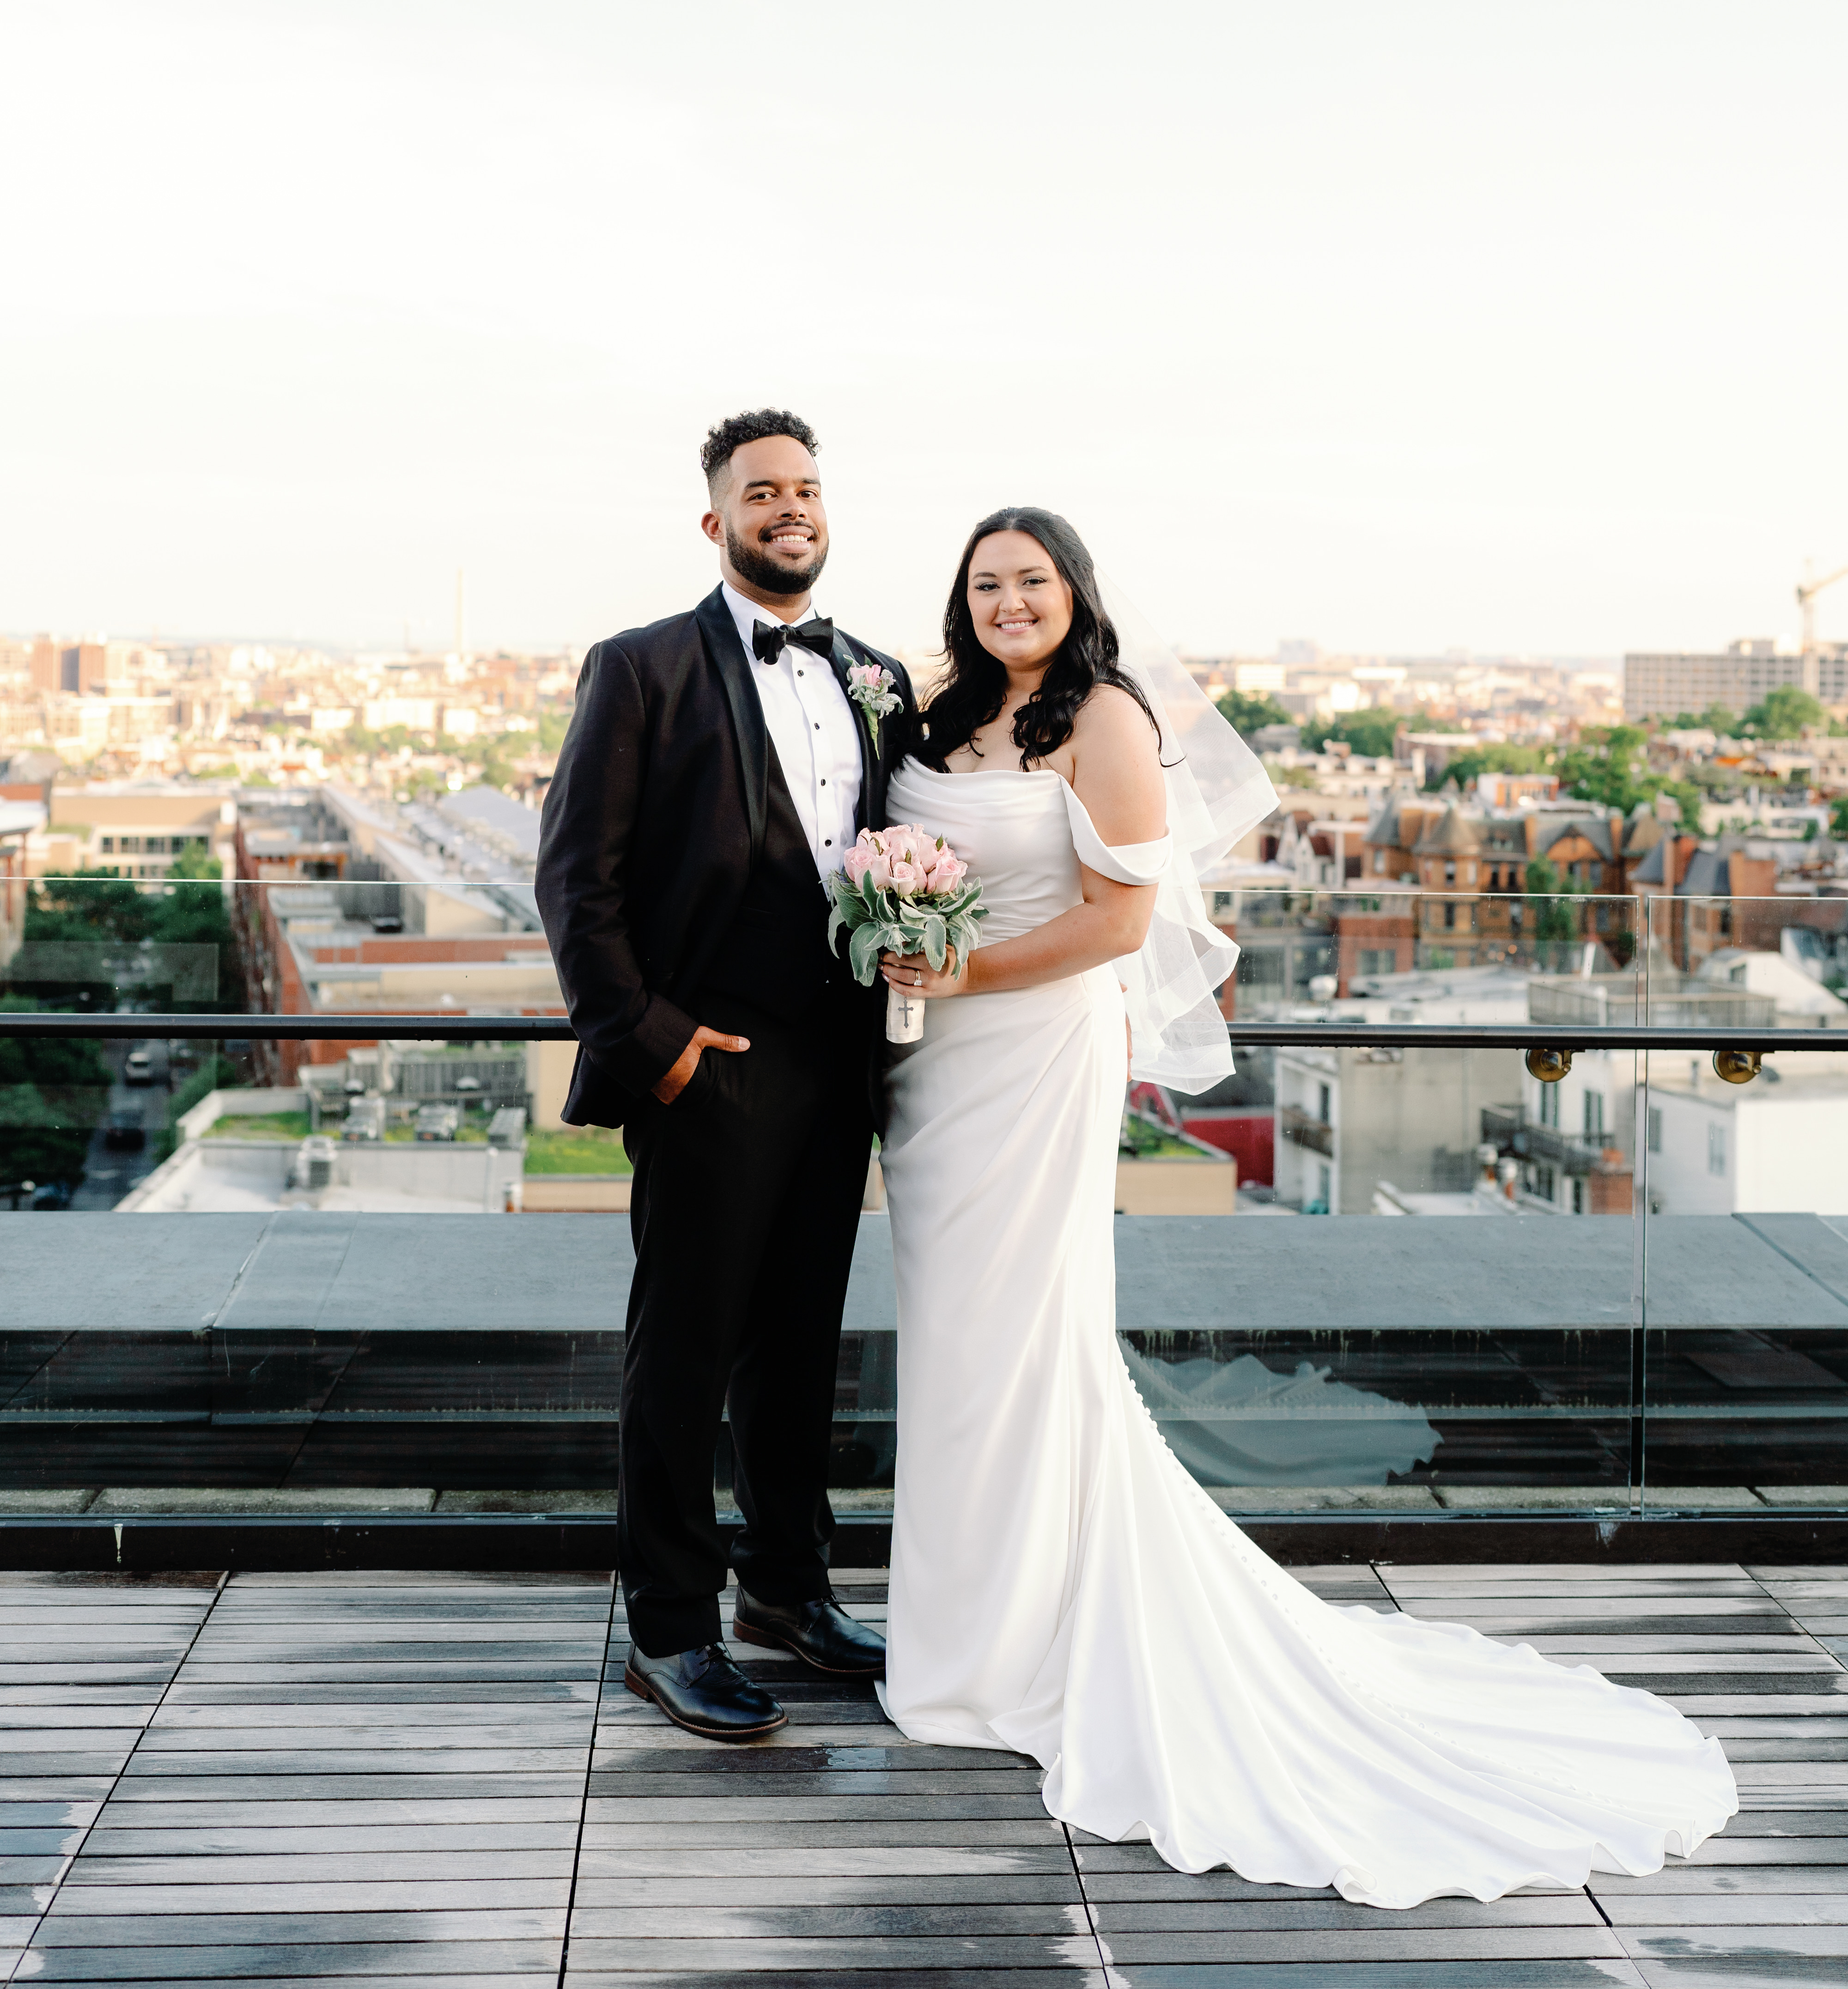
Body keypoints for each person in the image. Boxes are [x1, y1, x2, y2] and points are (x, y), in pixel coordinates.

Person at [872, 505, 1737, 1906]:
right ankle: (967, 1639)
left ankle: (1019, 1653)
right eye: (987, 583)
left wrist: (952, 974)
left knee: (1028, 1344)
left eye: (1032, 580)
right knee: (958, 1353)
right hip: (937, 1073)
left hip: (1033, 1055)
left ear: (1074, 591)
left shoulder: (1104, 719)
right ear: (962, 601)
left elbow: (1116, 922)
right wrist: (900, 940)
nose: (1008, 601)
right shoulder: (940, 715)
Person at [535, 409, 914, 1741]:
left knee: (803, 1345)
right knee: (683, 1351)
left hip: (841, 1064)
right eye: (762, 493)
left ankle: (788, 1588)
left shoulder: (877, 673)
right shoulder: (638, 668)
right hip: (708, 1068)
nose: (788, 508)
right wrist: (656, 1043)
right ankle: (672, 1628)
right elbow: (578, 883)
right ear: (718, 522)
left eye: (806, 489)